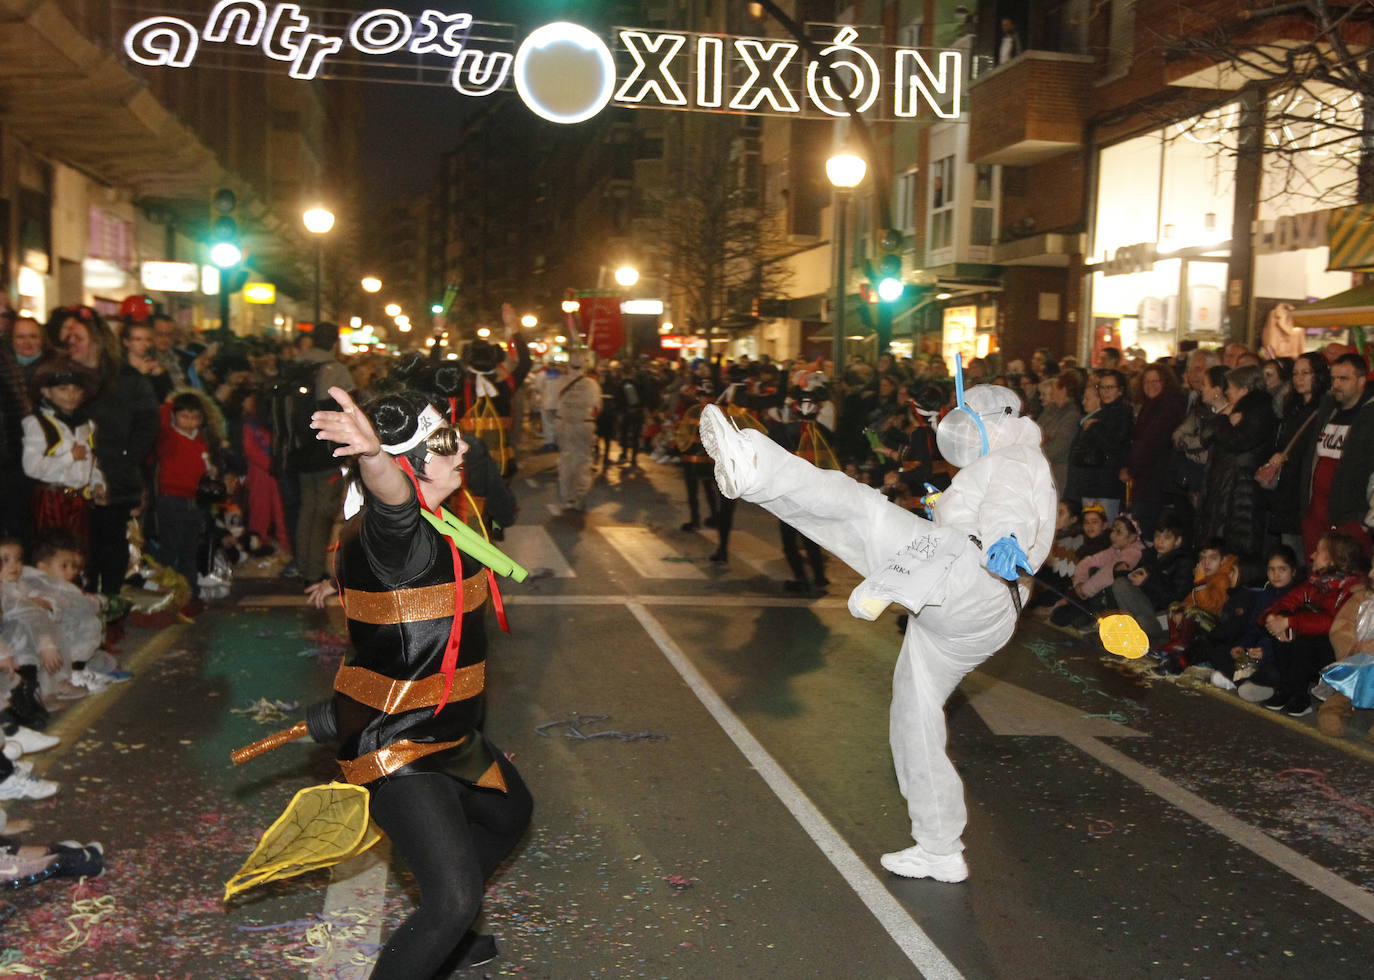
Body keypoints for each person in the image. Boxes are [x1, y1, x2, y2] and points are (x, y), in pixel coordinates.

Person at [698, 369, 1056, 883]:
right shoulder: (994, 465)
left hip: (972, 582)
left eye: (969, 423)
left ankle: (754, 464)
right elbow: (990, 508)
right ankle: (939, 848)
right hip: (974, 610)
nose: (960, 434)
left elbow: (1010, 507)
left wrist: (1007, 537)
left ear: (996, 423)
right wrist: (947, 511)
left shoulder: (1016, 456)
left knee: (861, 512)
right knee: (913, 713)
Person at [296, 385, 531, 977]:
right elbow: (392, 502)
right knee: (453, 898)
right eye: (445, 444)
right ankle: (443, 931)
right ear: (407, 462)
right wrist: (375, 457)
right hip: (399, 745)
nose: (463, 451)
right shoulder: (396, 528)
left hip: (450, 730)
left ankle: (444, 938)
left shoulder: (438, 522)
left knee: (510, 814)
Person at [50, 306, 158, 600]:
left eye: (77, 337)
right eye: (66, 337)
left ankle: (108, 602)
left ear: (96, 340)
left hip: (115, 475)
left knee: (110, 541)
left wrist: (126, 456)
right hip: (71, 479)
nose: (71, 343)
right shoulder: (59, 378)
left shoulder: (128, 379)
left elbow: (148, 422)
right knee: (75, 544)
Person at [1259, 531, 1365, 717]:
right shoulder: (1316, 583)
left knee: (1303, 638)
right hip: (1316, 647)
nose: (1312, 555)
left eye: (1318, 551)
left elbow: (1332, 623)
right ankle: (1287, 688)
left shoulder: (1349, 588)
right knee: (1284, 630)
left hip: (1340, 652)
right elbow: (1286, 602)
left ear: (1333, 560)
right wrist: (1273, 617)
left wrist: (1290, 621)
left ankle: (1300, 695)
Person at [1297, 352, 1374, 559]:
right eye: (1333, 379)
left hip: (1349, 517)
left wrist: (1366, 521)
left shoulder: (1369, 416)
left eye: (1344, 379)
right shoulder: (1328, 408)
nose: (1336, 384)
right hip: (1316, 512)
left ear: (1361, 380)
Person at [22, 358, 105, 542]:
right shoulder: (38, 424)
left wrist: (97, 483)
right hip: (51, 500)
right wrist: (69, 457)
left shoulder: (86, 425)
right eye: (63, 389)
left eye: (76, 390)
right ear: (46, 392)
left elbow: (92, 462)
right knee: (53, 550)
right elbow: (31, 467)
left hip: (79, 500)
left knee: (79, 552)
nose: (71, 395)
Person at [1261, 351, 1329, 563]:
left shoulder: (1324, 410)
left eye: (1306, 373)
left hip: (1306, 489)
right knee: (1289, 553)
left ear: (1318, 375)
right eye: (1296, 373)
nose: (1299, 378)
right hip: (1287, 490)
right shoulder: (1292, 407)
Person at [1121, 364, 1187, 538]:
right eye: (1146, 382)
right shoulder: (1150, 406)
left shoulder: (1167, 406)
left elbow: (1150, 442)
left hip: (1155, 480)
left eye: (1155, 381)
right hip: (1148, 479)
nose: (1151, 386)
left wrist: (1131, 468)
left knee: (1144, 530)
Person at [1066, 370, 1132, 520]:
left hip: (1108, 483)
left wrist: (1095, 428)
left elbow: (1115, 446)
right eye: (1102, 388)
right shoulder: (1098, 415)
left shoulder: (1123, 413)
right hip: (1090, 481)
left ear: (1120, 390)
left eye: (1110, 388)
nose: (1105, 392)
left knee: (1105, 525)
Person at [554, 350, 602, 512]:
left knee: (566, 460)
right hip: (584, 425)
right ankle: (580, 494)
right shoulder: (592, 384)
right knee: (583, 461)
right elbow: (597, 408)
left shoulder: (560, 381)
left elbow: (553, 404)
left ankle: (567, 497)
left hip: (564, 424)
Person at [1035, 371, 1081, 495]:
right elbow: (1034, 432)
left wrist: (1041, 443)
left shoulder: (1072, 415)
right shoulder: (1050, 410)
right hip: (1041, 469)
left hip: (1057, 471)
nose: (1052, 393)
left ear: (1063, 391)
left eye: (1055, 389)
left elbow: (1059, 446)